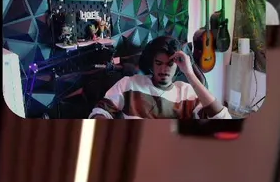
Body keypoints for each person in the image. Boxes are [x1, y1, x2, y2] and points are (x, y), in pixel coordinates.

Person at [89, 35, 230, 119]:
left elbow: (222, 118)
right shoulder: (128, 84)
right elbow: (100, 111)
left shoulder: (188, 93)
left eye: (170, 64)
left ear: (178, 65)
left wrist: (190, 74)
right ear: (152, 63)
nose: (163, 70)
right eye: (158, 63)